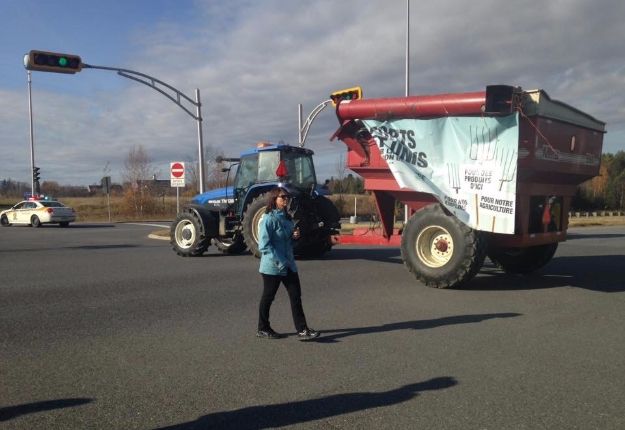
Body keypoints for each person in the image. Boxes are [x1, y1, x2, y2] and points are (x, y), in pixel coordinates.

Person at [256, 187, 319, 341]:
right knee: (268, 297)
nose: (286, 200)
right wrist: (278, 261)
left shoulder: (287, 218)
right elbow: (263, 245)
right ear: (274, 200)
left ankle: (302, 329)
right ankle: (263, 328)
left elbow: (288, 242)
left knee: (296, 296)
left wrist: (295, 236)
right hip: (272, 267)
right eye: (282, 197)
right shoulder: (268, 219)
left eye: (287, 197)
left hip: (289, 264)